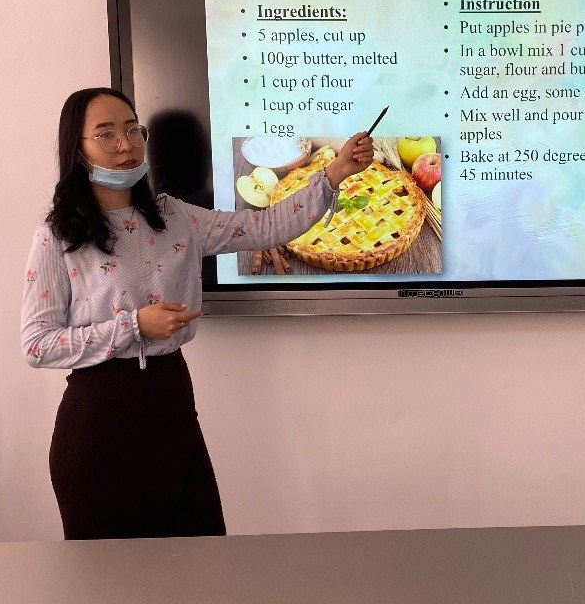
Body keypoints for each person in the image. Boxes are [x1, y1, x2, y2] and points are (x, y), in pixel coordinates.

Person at [21, 87, 374, 540]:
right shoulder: (57, 238)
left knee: (200, 558)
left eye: (133, 130)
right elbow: (37, 345)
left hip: (171, 403)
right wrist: (134, 326)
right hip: (100, 421)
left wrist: (335, 173)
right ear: (77, 149)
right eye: (106, 134)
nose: (125, 145)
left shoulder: (174, 217)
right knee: (110, 574)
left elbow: (263, 226)